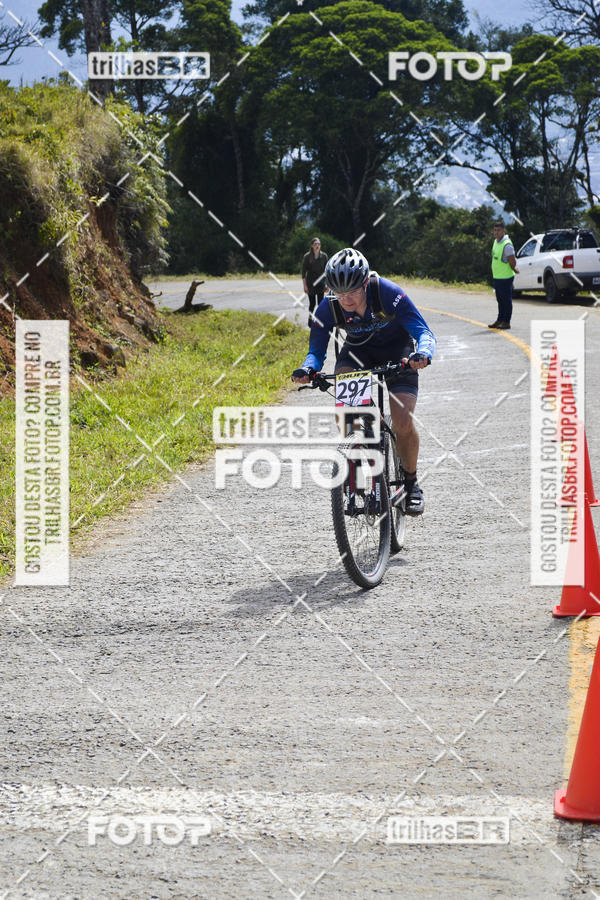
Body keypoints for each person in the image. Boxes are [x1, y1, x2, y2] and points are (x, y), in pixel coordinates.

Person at [291, 247, 436, 516]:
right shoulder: (328, 307)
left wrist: (423, 353)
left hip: (399, 351)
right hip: (357, 354)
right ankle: (360, 474)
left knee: (403, 419)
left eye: (353, 291)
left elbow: (422, 330)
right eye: (339, 292)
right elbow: (316, 351)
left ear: (365, 283)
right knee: (348, 417)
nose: (346, 299)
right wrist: (308, 368)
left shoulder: (388, 293)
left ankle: (412, 483)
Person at [489, 221, 519, 330]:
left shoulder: (507, 245)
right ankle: (500, 320)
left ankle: (506, 322)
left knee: (506, 300)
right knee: (500, 299)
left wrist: (514, 269)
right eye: (495, 230)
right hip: (497, 276)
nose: (496, 232)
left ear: (503, 231)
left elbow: (512, 262)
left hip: (506, 277)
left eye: (498, 230)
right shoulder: (496, 242)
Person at [301, 237, 328, 328]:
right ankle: (310, 321)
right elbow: (303, 272)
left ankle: (320, 321)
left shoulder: (324, 256)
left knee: (321, 304)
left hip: (321, 284)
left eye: (318, 244)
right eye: (315, 244)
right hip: (311, 284)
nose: (317, 246)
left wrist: (327, 284)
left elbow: (327, 271)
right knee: (312, 304)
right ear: (312, 246)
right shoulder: (307, 257)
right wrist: (305, 286)